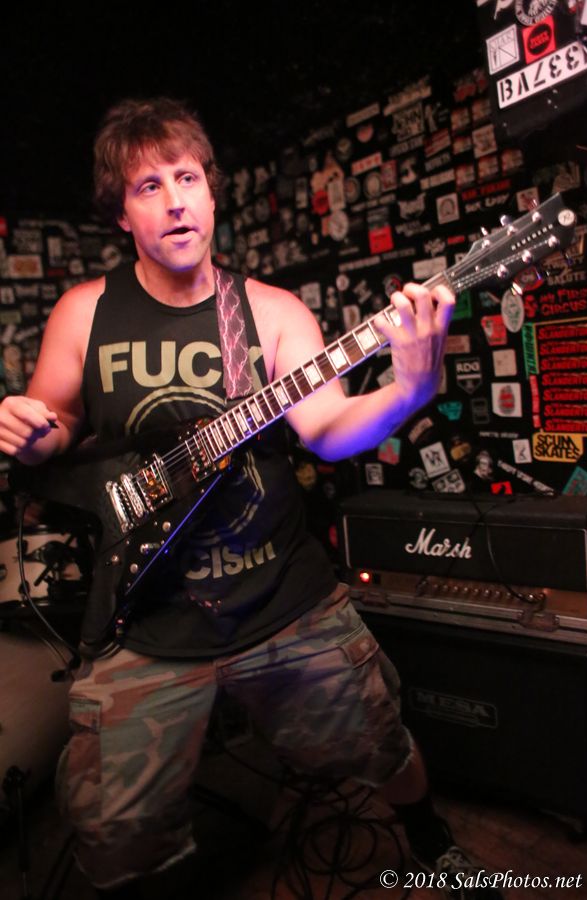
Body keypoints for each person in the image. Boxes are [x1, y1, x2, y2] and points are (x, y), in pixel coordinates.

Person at [0, 98, 501, 899]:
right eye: (149, 186)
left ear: (210, 190)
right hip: (146, 617)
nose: (175, 201)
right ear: (122, 212)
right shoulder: (84, 313)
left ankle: (428, 838)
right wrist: (31, 432)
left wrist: (411, 389)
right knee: (114, 831)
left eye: (187, 178)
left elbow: (328, 427)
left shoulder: (268, 311)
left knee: (380, 741)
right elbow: (55, 424)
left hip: (283, 601)